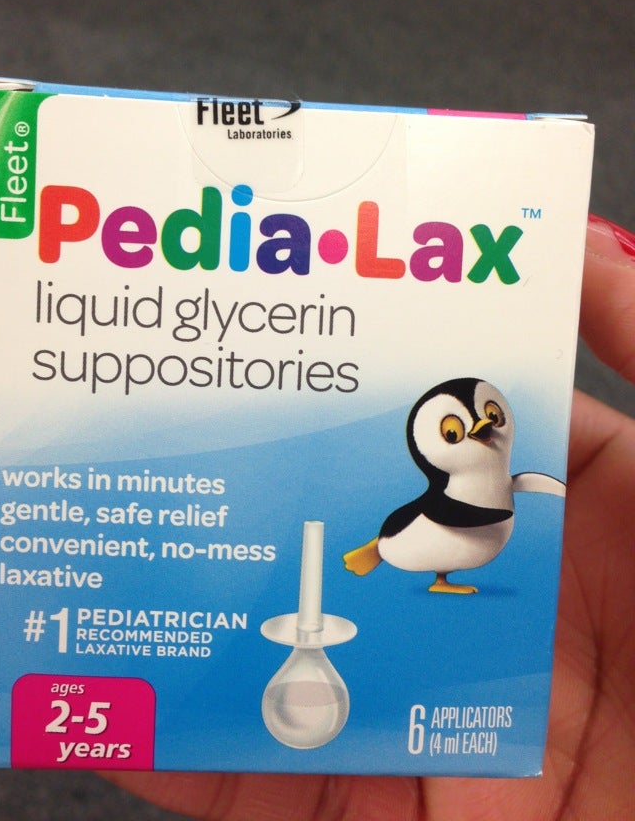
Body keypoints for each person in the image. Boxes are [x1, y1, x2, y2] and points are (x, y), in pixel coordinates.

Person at [102, 214, 635, 821]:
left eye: (487, 418)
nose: (482, 430)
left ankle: (413, 566)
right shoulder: (441, 499)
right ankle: (382, 554)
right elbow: (445, 513)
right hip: (412, 546)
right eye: (458, 429)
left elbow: (517, 484)